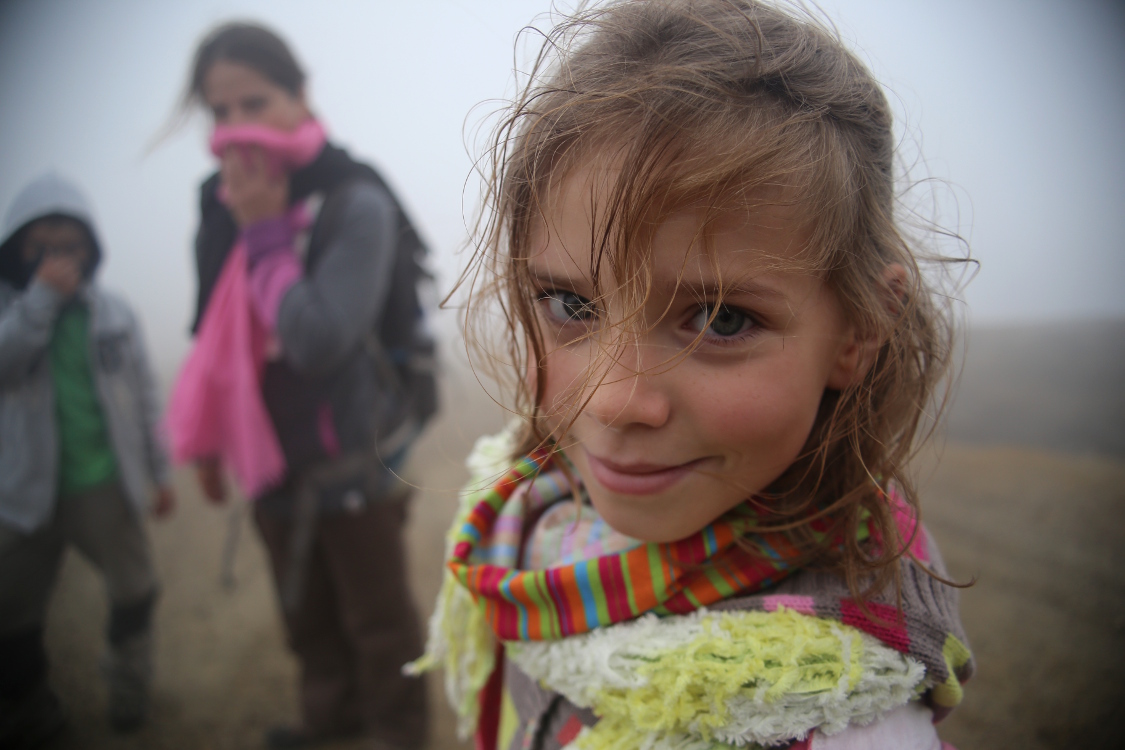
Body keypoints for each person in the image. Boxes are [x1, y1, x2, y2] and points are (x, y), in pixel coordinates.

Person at [411, 1, 974, 748]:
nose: (614, 402)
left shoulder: (838, 720)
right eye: (569, 304)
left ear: (861, 327)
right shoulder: (528, 526)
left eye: (720, 320)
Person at [165, 22, 432, 750]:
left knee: (377, 621)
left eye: (254, 102)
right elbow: (215, 345)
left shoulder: (354, 202)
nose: (233, 129)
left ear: (299, 98)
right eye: (218, 114)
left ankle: (395, 734)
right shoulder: (217, 206)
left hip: (350, 460)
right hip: (267, 460)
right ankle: (329, 723)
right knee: (304, 616)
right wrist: (210, 446)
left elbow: (316, 340)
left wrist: (263, 233)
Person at [0, 173, 175, 744]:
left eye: (71, 247)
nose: (59, 260)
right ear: (18, 250)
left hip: (102, 482)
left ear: (92, 250)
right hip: (19, 492)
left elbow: (144, 394)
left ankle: (129, 692)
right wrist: (40, 302)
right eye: (43, 248)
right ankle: (32, 715)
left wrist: (160, 470)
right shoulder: (13, 315)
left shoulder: (113, 311)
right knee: (13, 619)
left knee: (135, 590)